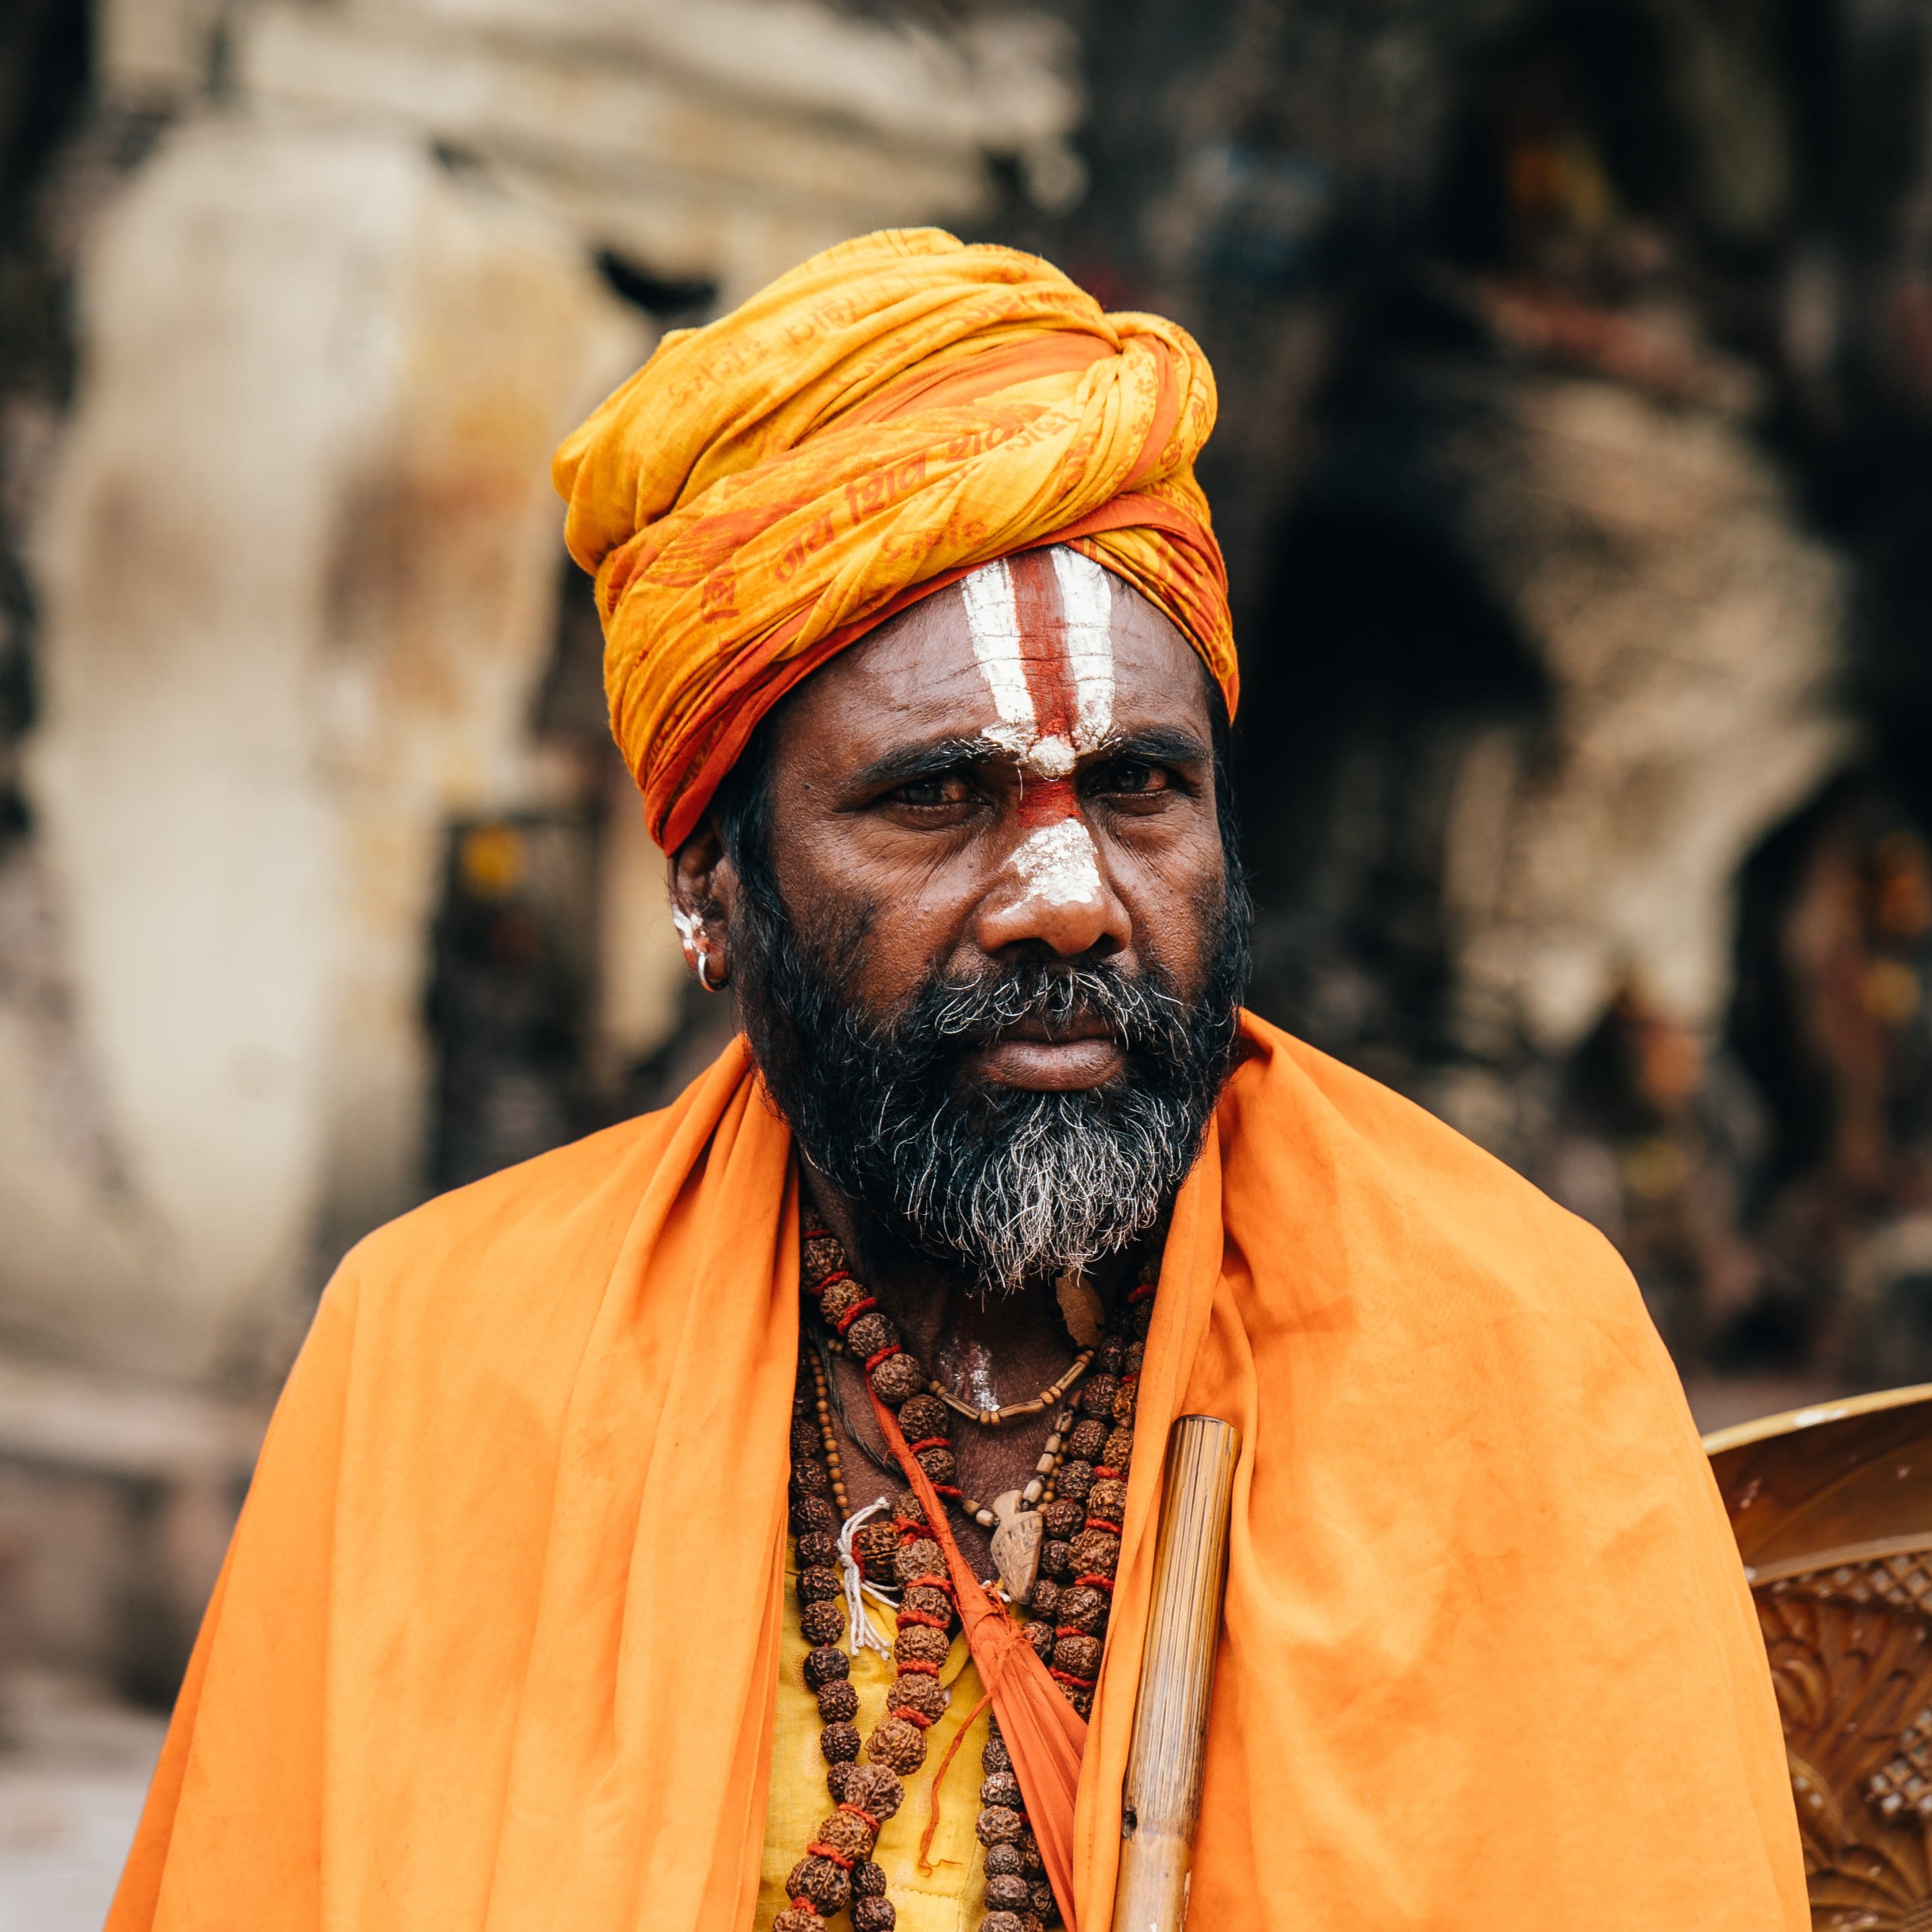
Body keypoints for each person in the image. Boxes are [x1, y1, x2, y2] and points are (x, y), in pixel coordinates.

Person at [107, 229, 1805, 1932]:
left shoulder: (1505, 1342)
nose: (1069, 896)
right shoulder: (443, 1349)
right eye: (935, 798)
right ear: (713, 881)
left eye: (1139, 784)